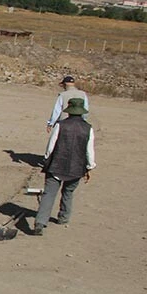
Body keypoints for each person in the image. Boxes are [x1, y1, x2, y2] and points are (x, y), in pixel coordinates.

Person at [33, 98, 96, 236]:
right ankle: (63, 217)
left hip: (56, 165)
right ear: (81, 112)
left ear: (69, 111)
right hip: (77, 167)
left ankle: (40, 222)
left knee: (49, 194)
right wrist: (90, 167)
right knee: (68, 193)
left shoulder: (60, 125)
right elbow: (89, 151)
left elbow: (51, 146)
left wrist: (46, 160)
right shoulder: (88, 128)